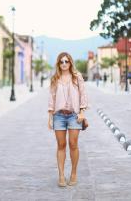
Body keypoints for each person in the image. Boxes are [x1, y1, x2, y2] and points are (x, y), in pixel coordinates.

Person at [48, 52, 88, 187]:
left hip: (74, 116)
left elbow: (83, 95)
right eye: (61, 62)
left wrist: (82, 112)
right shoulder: (55, 79)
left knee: (73, 144)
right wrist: (50, 117)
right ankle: (61, 175)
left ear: (70, 62)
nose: (64, 64)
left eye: (66, 61)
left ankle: (74, 173)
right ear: (58, 64)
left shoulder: (77, 77)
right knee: (61, 145)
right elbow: (51, 98)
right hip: (58, 115)